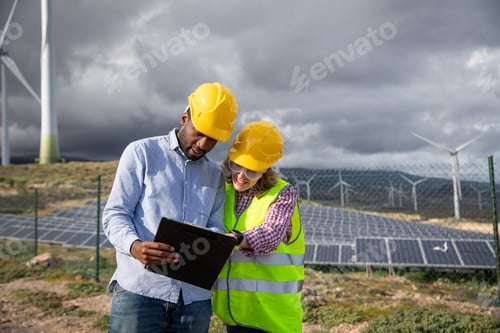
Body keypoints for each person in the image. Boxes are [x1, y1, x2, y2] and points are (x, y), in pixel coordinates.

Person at [102, 82, 239, 333]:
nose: (203, 144)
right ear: (184, 118)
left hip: (194, 300)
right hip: (140, 291)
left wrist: (219, 243)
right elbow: (115, 213)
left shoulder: (216, 175)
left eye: (213, 139)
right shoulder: (141, 153)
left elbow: (215, 225)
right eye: (199, 133)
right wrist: (135, 247)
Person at [212, 121, 305, 333]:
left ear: (265, 170)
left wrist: (236, 238)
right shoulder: (222, 191)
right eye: (236, 165)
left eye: (251, 171)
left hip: (272, 319)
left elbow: (271, 234)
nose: (241, 175)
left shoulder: (283, 193)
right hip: (235, 314)